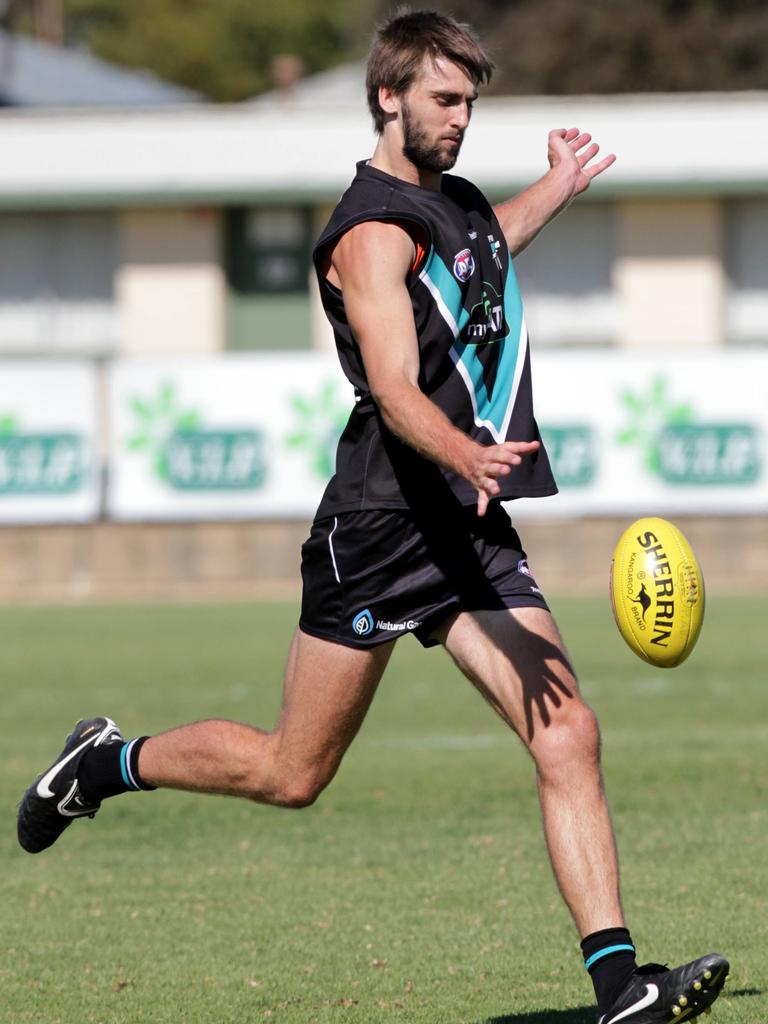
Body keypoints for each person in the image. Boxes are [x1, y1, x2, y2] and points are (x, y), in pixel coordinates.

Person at [18, 10, 728, 1023]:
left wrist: (560, 185)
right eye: (445, 99)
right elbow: (395, 386)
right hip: (383, 528)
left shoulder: (453, 203)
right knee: (290, 770)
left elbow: (486, 249)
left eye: (472, 101)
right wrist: (466, 450)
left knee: (568, 733)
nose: (462, 117)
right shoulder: (369, 231)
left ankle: (619, 986)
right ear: (388, 96)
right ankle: (105, 762)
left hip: (467, 525)